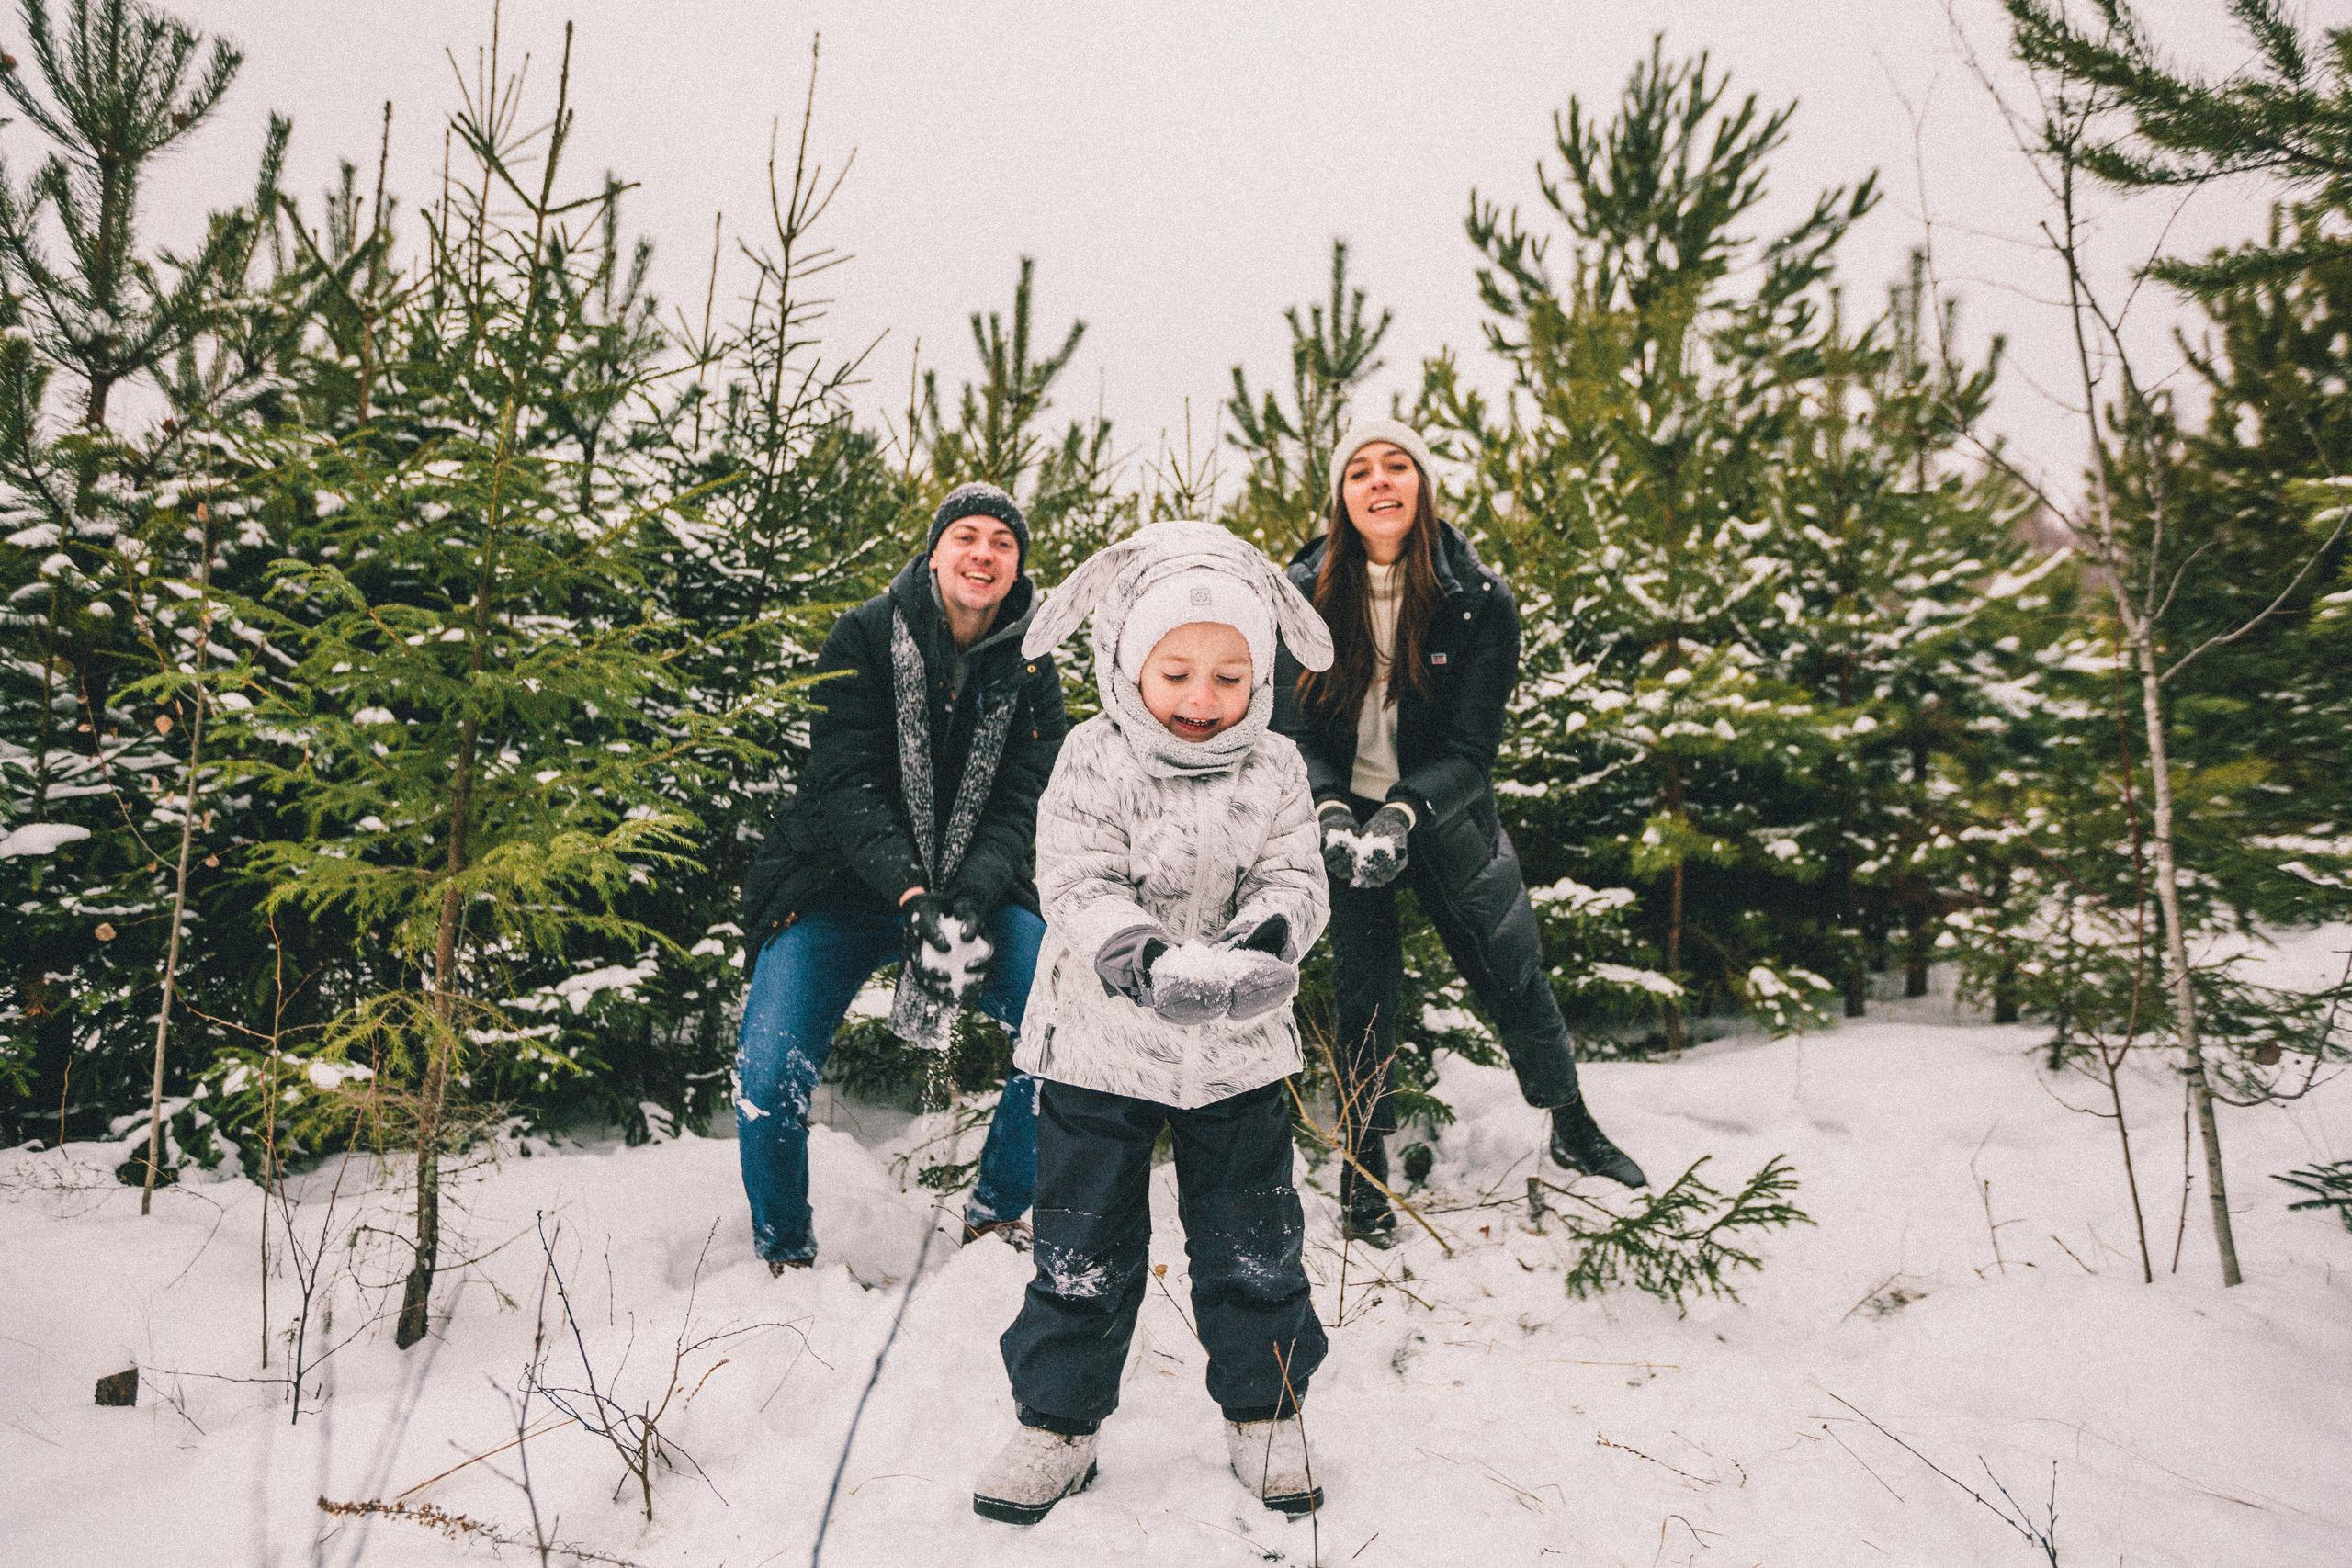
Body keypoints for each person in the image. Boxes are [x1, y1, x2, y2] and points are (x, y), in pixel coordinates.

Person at [970, 521, 1336, 1525]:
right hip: (1099, 1045)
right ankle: (1056, 1423)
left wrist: (1268, 940)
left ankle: (1265, 1408)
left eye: (1228, 676)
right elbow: (1077, 878)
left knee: (1253, 1239)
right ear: (1130, 661)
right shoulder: (1092, 755)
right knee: (1081, 1242)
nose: (1200, 699)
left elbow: (1294, 873)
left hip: (1236, 1051)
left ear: (1260, 679)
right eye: (1175, 672)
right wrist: (1143, 956)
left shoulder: (1277, 770)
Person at [1273, 419, 1648, 1247]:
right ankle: (1363, 1164)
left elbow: (1473, 749)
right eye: (1360, 470)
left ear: (1421, 484)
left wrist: (1406, 812)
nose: (1379, 481)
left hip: (1440, 815)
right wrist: (1334, 811)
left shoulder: (1478, 599)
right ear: (1342, 495)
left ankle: (1573, 1125)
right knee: (1369, 998)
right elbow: (1289, 732)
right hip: (1345, 822)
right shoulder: (1296, 597)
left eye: (1396, 465)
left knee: (1511, 966)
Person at [735, 482, 1068, 1270]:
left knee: (1065, 1022)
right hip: (838, 886)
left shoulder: (1032, 664)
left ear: (1017, 565)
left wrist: (969, 898)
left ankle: (995, 1215)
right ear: (935, 550)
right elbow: (844, 783)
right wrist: (913, 895)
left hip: (975, 893)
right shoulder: (864, 635)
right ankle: (784, 1251)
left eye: (1002, 542)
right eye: (967, 537)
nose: (982, 553)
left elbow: (1023, 801)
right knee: (768, 1070)